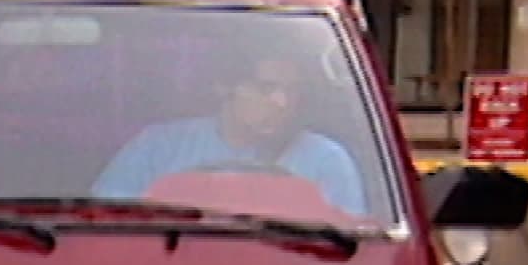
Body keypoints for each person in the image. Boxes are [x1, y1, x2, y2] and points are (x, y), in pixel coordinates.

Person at [89, 56, 367, 216]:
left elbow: (351, 250)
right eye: (265, 88)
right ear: (225, 88)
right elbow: (105, 221)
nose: (282, 102)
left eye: (291, 90)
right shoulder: (158, 147)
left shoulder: (325, 160)